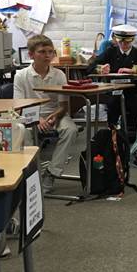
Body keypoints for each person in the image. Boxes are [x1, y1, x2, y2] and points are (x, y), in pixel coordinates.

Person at [13, 34, 79, 193]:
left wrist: (54, 117)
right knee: (24, 132)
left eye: (50, 52)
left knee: (71, 129)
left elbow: (64, 106)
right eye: (42, 52)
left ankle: (52, 172)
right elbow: (19, 106)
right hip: (28, 114)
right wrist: (37, 119)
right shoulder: (21, 75)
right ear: (31, 55)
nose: (47, 55)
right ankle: (32, 174)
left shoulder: (59, 75)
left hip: (55, 114)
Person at [87, 25, 137, 135]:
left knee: (135, 106)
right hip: (114, 90)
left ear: (132, 40)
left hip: (135, 91)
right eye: (120, 42)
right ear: (116, 40)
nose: (123, 45)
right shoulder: (110, 52)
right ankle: (113, 135)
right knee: (113, 105)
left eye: (127, 42)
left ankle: (135, 135)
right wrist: (100, 69)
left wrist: (134, 70)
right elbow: (90, 67)